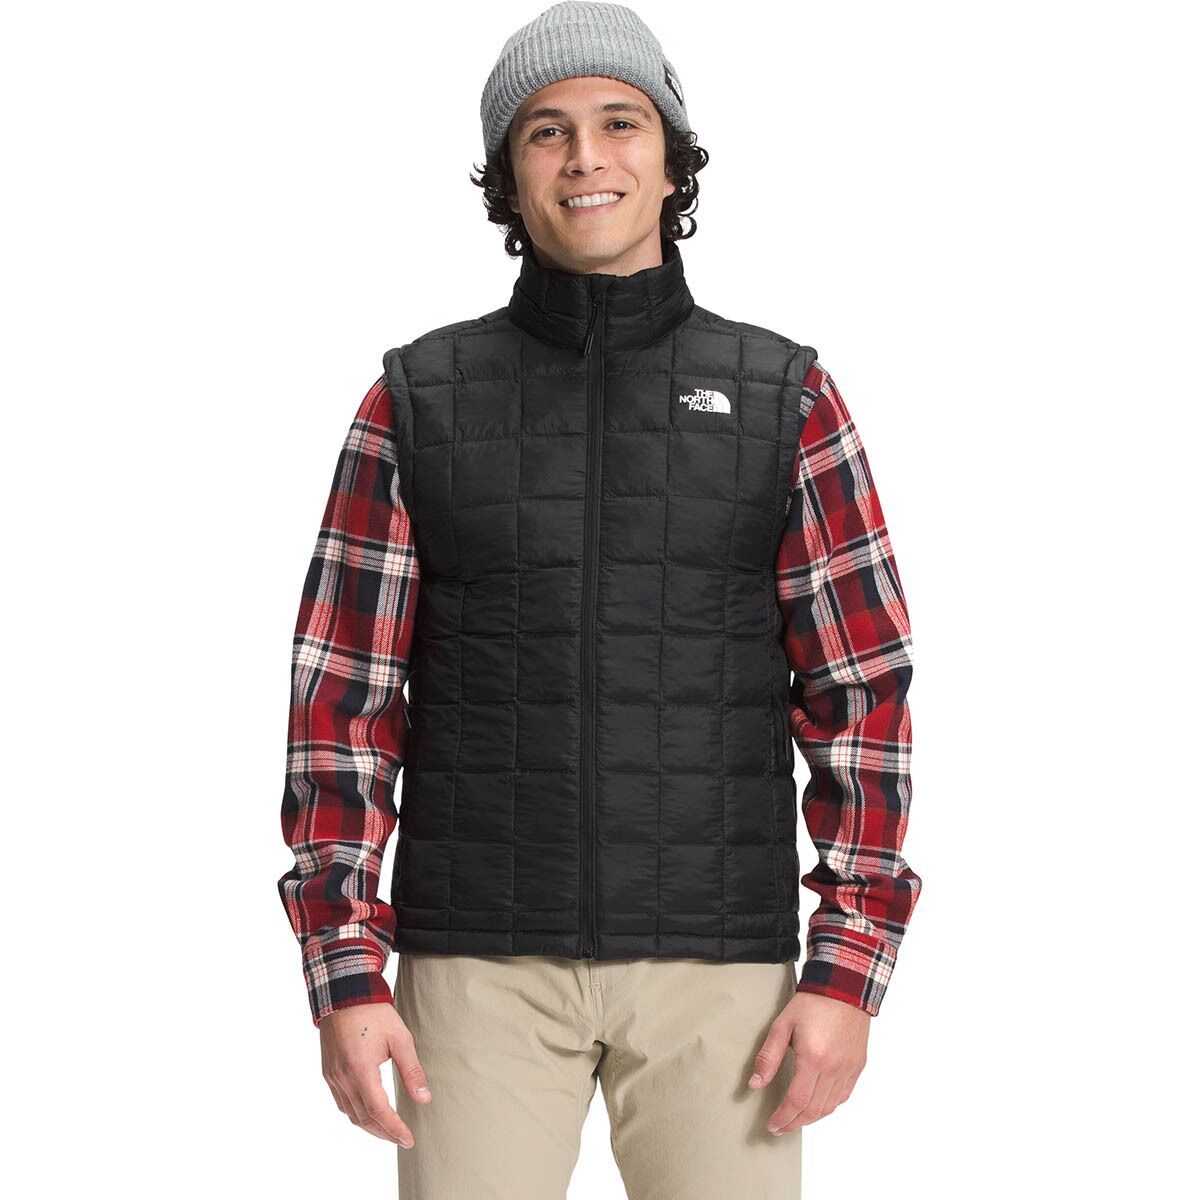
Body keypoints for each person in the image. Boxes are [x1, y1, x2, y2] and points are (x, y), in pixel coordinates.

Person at [276, 3, 922, 1195]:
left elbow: (861, 693)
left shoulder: (787, 398)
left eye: (621, 122)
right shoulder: (414, 401)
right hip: (474, 972)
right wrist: (344, 972)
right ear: (508, 177)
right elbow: (342, 708)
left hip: (721, 975)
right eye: (546, 130)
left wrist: (850, 967)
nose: (586, 157)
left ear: (672, 162)